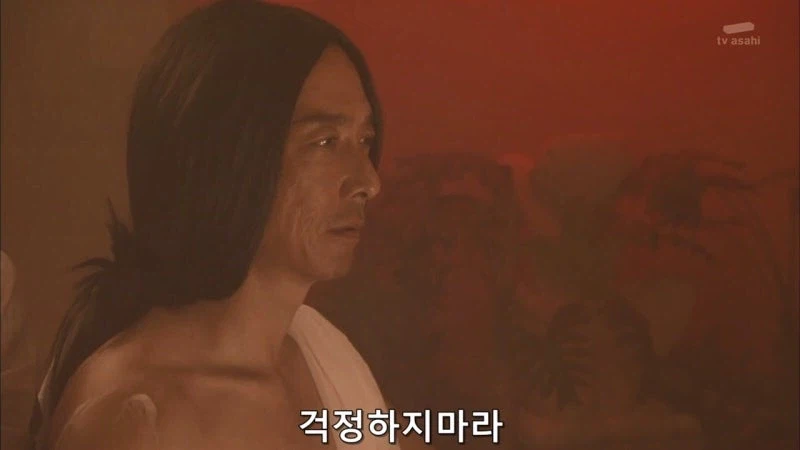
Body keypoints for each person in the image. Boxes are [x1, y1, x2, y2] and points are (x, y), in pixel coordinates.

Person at [28, 1, 429, 449]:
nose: (368, 182)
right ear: (225, 159)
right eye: (325, 141)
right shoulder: (134, 418)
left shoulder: (322, 352)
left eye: (365, 140)